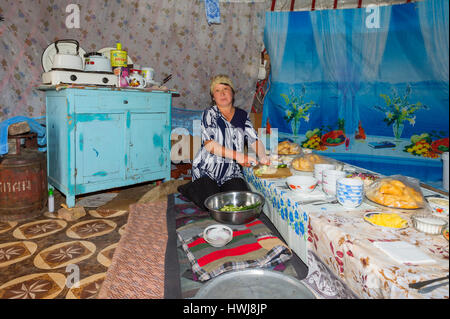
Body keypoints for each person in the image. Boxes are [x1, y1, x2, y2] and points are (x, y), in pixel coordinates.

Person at [178, 74, 270, 210]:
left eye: (225, 89)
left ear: (232, 93)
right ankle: (189, 187)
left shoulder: (242, 115)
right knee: (212, 204)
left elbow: (254, 140)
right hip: (207, 168)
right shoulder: (209, 113)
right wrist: (238, 156)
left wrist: (263, 156)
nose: (222, 93)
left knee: (241, 203)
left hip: (231, 170)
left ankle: (219, 188)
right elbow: (210, 145)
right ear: (213, 97)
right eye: (217, 90)